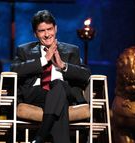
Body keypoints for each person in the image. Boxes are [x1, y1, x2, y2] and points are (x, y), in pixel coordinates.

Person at [11, 10, 91, 143]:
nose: (47, 34)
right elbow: (15, 70)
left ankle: (40, 137)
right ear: (35, 34)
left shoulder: (71, 50)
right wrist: (44, 60)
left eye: (50, 29)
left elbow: (85, 74)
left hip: (65, 92)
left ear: (56, 28)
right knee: (60, 101)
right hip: (36, 94)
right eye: (42, 31)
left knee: (58, 85)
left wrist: (62, 65)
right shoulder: (24, 50)